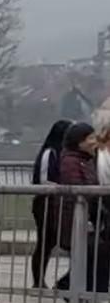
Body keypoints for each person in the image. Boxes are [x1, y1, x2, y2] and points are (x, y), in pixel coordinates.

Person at [52, 123, 108, 292]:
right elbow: (76, 188)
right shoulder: (70, 161)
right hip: (76, 220)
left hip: (90, 217)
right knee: (94, 255)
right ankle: (72, 289)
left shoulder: (87, 160)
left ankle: (89, 293)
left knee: (95, 256)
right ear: (79, 142)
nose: (94, 141)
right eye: (90, 138)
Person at [30, 120, 71, 287]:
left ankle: (65, 281)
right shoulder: (50, 152)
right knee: (45, 243)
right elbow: (43, 179)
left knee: (59, 242)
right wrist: (64, 188)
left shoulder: (63, 153)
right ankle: (38, 281)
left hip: (58, 202)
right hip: (45, 202)